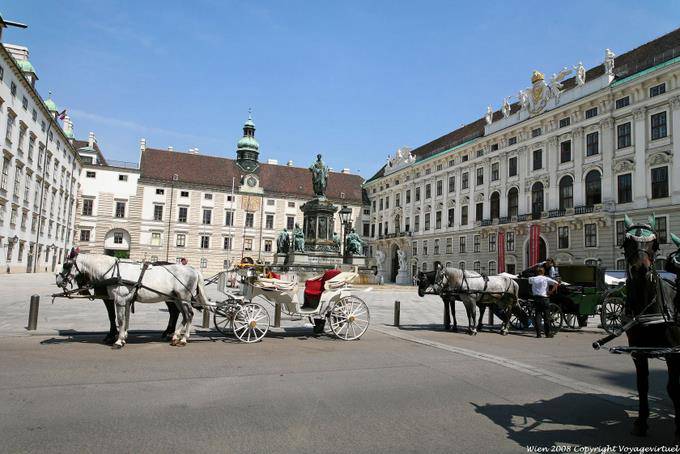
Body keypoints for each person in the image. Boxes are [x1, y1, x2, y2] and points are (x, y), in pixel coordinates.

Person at [528, 267, 558, 338]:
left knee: (538, 316)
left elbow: (528, 282)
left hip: (536, 298)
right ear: (543, 272)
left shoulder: (533, 279)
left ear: (537, 272)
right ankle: (547, 334)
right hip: (544, 299)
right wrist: (551, 291)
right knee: (546, 317)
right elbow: (556, 283)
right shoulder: (546, 278)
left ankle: (538, 334)